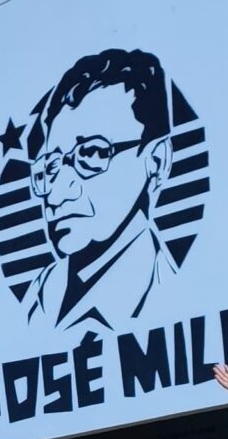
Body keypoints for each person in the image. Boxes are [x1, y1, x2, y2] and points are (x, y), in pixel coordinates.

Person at [24, 48, 182, 330]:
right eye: (50, 169)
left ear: (157, 161)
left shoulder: (163, 291)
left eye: (93, 154)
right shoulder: (41, 292)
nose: (56, 195)